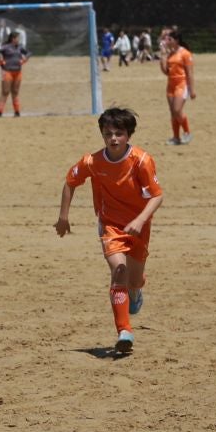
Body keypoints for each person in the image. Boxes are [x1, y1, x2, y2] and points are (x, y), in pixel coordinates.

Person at [55, 106, 163, 358]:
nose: (113, 138)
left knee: (134, 280)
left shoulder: (142, 161)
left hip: (138, 226)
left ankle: (136, 292)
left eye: (119, 133)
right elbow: (70, 182)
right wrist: (63, 217)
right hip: (110, 225)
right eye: (108, 133)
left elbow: (157, 196)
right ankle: (124, 332)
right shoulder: (92, 162)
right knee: (119, 271)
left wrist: (140, 219)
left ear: (128, 135)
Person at [161, 28, 195, 144]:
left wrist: (192, 90)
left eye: (169, 39)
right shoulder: (170, 53)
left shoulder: (185, 53)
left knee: (177, 110)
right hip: (170, 85)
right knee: (172, 112)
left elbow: (190, 73)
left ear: (176, 40)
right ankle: (176, 137)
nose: (167, 41)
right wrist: (163, 56)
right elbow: (166, 71)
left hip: (181, 84)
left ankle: (187, 132)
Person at [0, 30, 29, 117]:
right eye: (17, 38)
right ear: (13, 39)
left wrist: (24, 59)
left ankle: (17, 112)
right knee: (5, 92)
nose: (19, 40)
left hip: (17, 71)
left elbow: (28, 53)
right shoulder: (6, 47)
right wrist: (1, 61)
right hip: (7, 71)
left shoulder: (20, 47)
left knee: (15, 91)